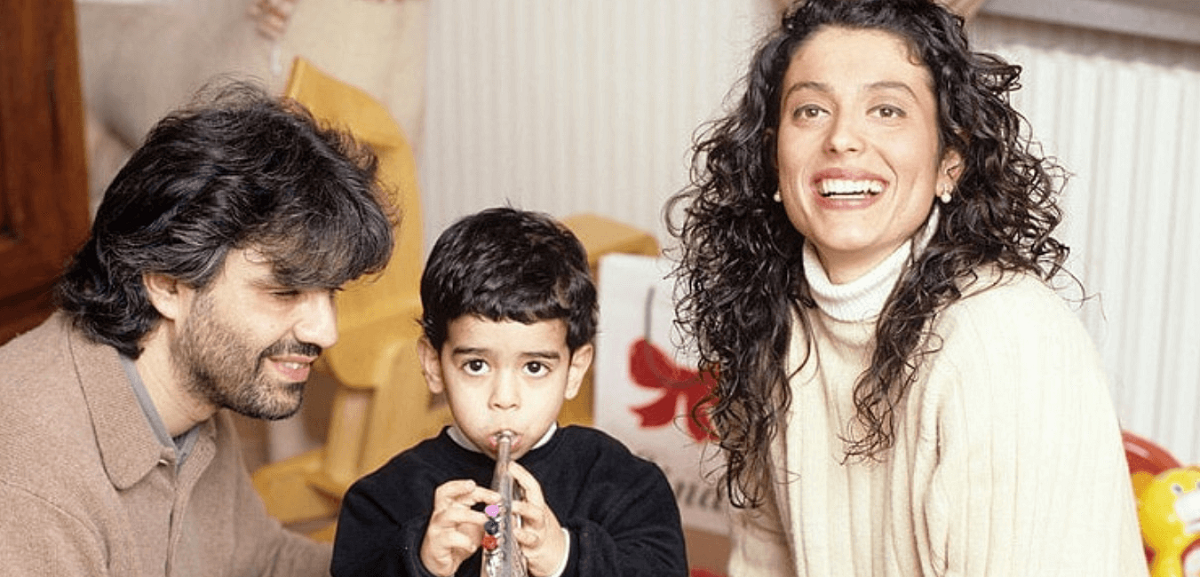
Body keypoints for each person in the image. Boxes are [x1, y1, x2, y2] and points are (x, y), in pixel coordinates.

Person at [665, 0, 1147, 575]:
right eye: (811, 110)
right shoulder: (769, 318)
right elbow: (762, 562)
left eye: (887, 110)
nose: (843, 139)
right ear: (772, 157)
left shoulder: (1007, 342)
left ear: (950, 161)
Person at [0, 82, 395, 576]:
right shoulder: (31, 479)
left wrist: (415, 564)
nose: (325, 331)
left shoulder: (192, 383)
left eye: (329, 292)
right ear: (167, 284)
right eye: (285, 291)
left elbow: (262, 563)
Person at [331, 207, 688, 577]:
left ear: (574, 370)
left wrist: (565, 554)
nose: (504, 398)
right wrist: (419, 562)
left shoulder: (625, 483)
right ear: (434, 365)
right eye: (476, 365)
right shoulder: (381, 499)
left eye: (534, 367)